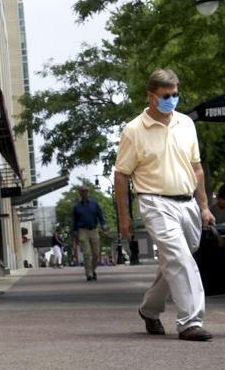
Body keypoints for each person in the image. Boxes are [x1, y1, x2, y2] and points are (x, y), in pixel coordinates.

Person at [114, 69, 217, 341]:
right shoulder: (134, 130)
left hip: (187, 204)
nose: (172, 99)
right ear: (151, 96)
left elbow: (197, 169)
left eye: (175, 94)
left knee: (177, 258)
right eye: (166, 95)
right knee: (180, 259)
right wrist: (124, 218)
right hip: (155, 202)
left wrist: (204, 206)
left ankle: (149, 310)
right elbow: (121, 175)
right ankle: (190, 322)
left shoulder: (186, 123)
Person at [71, 185, 106, 281]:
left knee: (96, 253)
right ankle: (89, 274)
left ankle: (92, 270)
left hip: (93, 230)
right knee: (87, 253)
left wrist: (103, 225)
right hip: (82, 231)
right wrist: (75, 232)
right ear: (79, 193)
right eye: (83, 191)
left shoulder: (94, 204)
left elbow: (100, 215)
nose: (85, 193)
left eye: (86, 191)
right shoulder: (76, 207)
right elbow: (74, 221)